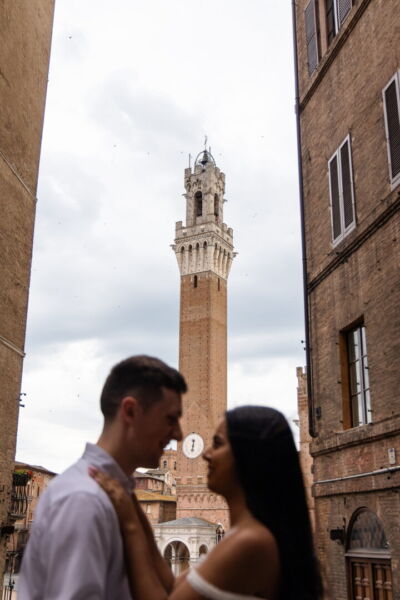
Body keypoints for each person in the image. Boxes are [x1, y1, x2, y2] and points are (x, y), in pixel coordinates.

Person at [91, 405, 323, 600]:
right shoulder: (243, 535)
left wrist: (130, 526)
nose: (206, 453)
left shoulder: (250, 542)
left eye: (218, 443)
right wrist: (131, 499)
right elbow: (172, 587)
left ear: (248, 458)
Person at [19, 355, 187, 600]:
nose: (179, 434)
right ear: (130, 411)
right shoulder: (84, 500)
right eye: (170, 419)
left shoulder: (116, 497)